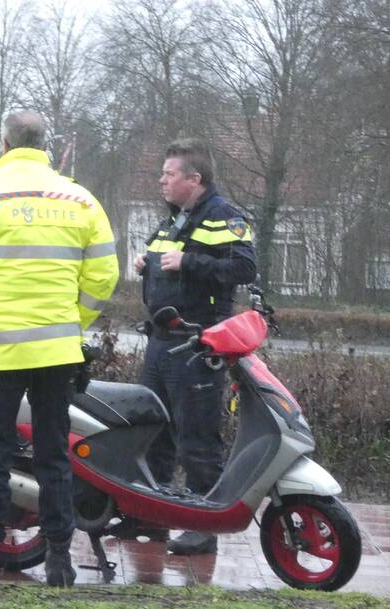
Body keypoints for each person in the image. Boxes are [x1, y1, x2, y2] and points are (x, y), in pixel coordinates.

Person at [0, 110, 119, 587]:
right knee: (55, 455)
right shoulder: (80, 199)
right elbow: (103, 275)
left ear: (3, 144)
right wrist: (73, 321)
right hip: (58, 352)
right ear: (46, 147)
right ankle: (60, 561)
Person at [134, 138, 257, 555]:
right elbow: (162, 261)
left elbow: (244, 267)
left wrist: (190, 263)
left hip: (197, 344)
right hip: (161, 341)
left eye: (169, 174)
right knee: (153, 433)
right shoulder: (174, 220)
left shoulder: (224, 217)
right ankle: (153, 516)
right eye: (163, 174)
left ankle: (204, 525)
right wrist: (144, 265)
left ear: (194, 179)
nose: (161, 181)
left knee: (197, 437)